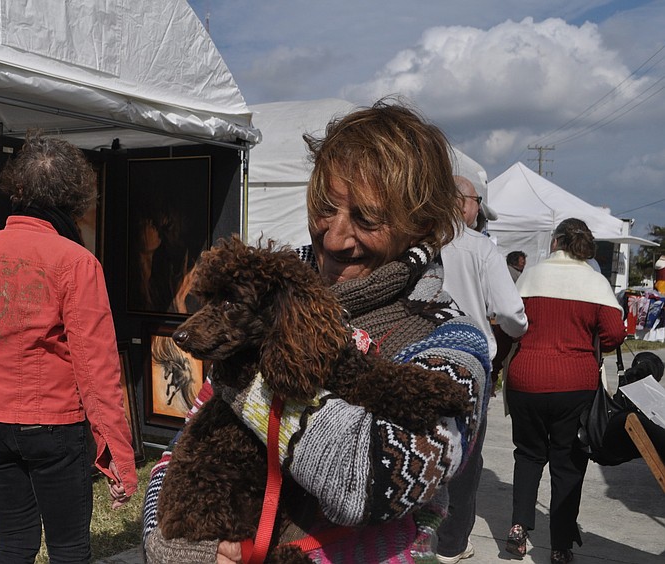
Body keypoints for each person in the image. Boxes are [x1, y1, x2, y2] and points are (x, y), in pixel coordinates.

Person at [142, 99, 491, 563]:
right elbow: (183, 446)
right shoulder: (264, 296)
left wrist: (243, 373)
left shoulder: (452, 342)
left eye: (367, 219)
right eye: (325, 207)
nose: (333, 237)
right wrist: (169, 543)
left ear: (420, 226)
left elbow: (365, 481)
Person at [0, 132, 137, 564]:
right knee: (69, 550)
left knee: (14, 545)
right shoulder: (76, 262)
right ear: (74, 197)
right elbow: (97, 372)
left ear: (17, 190)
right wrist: (119, 456)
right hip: (53, 425)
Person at [504, 218, 625, 564]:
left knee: (527, 454)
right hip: (575, 383)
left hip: (526, 380)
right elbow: (614, 334)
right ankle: (560, 546)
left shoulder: (531, 275)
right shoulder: (595, 282)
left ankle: (518, 526)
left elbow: (512, 323)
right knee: (568, 463)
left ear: (555, 242)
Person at [437, 164, 528, 563]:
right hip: (470, 364)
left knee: (421, 446)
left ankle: (418, 535)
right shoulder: (481, 248)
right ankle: (452, 543)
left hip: (421, 356)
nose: (479, 210)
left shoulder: (417, 241)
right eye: (477, 202)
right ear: (463, 204)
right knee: (467, 456)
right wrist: (518, 330)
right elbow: (511, 311)